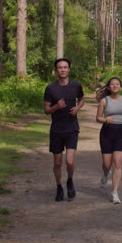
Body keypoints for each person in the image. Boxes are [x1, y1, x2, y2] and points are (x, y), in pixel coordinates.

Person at [44, 58, 84, 201]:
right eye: (60, 67)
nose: (62, 70)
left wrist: (78, 108)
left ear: (69, 69)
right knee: (57, 162)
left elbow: (82, 99)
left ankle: (70, 181)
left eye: (65, 67)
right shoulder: (50, 88)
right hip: (56, 130)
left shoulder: (76, 86)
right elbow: (46, 110)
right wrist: (56, 107)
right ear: (56, 70)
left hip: (72, 128)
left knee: (70, 161)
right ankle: (59, 186)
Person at [96, 77, 122, 204]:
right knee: (107, 165)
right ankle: (106, 173)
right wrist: (105, 120)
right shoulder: (104, 101)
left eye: (117, 84)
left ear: (121, 87)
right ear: (108, 87)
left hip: (120, 133)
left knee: (118, 163)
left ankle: (114, 192)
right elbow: (98, 118)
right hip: (106, 133)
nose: (115, 86)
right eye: (112, 84)